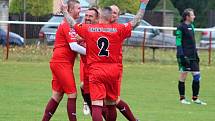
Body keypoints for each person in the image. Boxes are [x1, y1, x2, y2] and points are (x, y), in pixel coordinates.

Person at [41, 1, 86, 121]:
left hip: (61, 63)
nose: (80, 10)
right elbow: (74, 47)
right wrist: (92, 53)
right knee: (72, 94)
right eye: (78, 8)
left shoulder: (72, 24)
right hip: (61, 63)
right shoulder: (66, 24)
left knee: (57, 95)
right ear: (70, 10)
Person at [175, 8, 206, 105]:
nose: (194, 16)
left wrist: (196, 54)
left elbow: (192, 42)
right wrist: (181, 55)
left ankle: (195, 98)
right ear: (187, 17)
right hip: (184, 55)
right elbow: (178, 41)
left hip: (193, 56)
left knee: (197, 75)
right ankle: (182, 99)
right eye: (192, 15)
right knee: (183, 76)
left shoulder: (192, 26)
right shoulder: (180, 27)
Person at [78, 7, 99, 115]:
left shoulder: (99, 30)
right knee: (83, 87)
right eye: (86, 15)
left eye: (90, 16)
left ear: (97, 19)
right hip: (86, 66)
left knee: (106, 101)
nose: (87, 18)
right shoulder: (81, 29)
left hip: (98, 68)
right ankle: (86, 103)